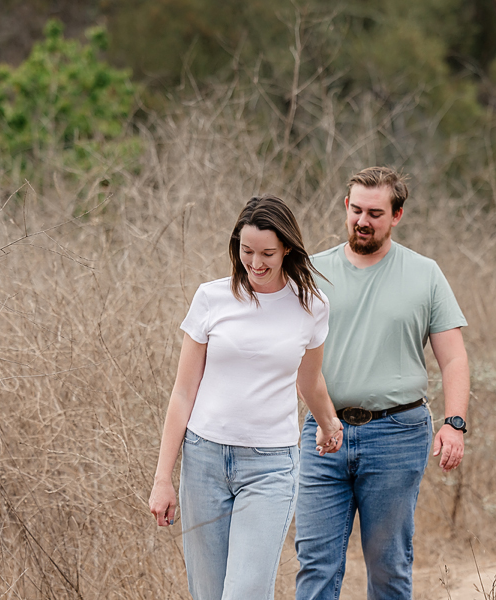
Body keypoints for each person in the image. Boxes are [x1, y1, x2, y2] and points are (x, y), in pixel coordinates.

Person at [149, 194, 344, 600]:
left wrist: (329, 424)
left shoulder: (311, 305)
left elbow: (310, 380)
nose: (255, 263)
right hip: (204, 461)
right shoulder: (211, 298)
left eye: (267, 253)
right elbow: (183, 393)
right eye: (247, 251)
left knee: (246, 593)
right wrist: (162, 478)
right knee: (208, 593)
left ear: (286, 248)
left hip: (270, 467)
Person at [295, 167, 470, 600]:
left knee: (388, 564)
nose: (363, 221)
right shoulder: (313, 272)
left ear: (397, 216)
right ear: (345, 207)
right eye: (356, 210)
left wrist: (454, 423)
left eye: (375, 213)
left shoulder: (425, 274)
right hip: (323, 433)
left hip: (397, 435)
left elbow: (454, 358)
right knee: (316, 563)